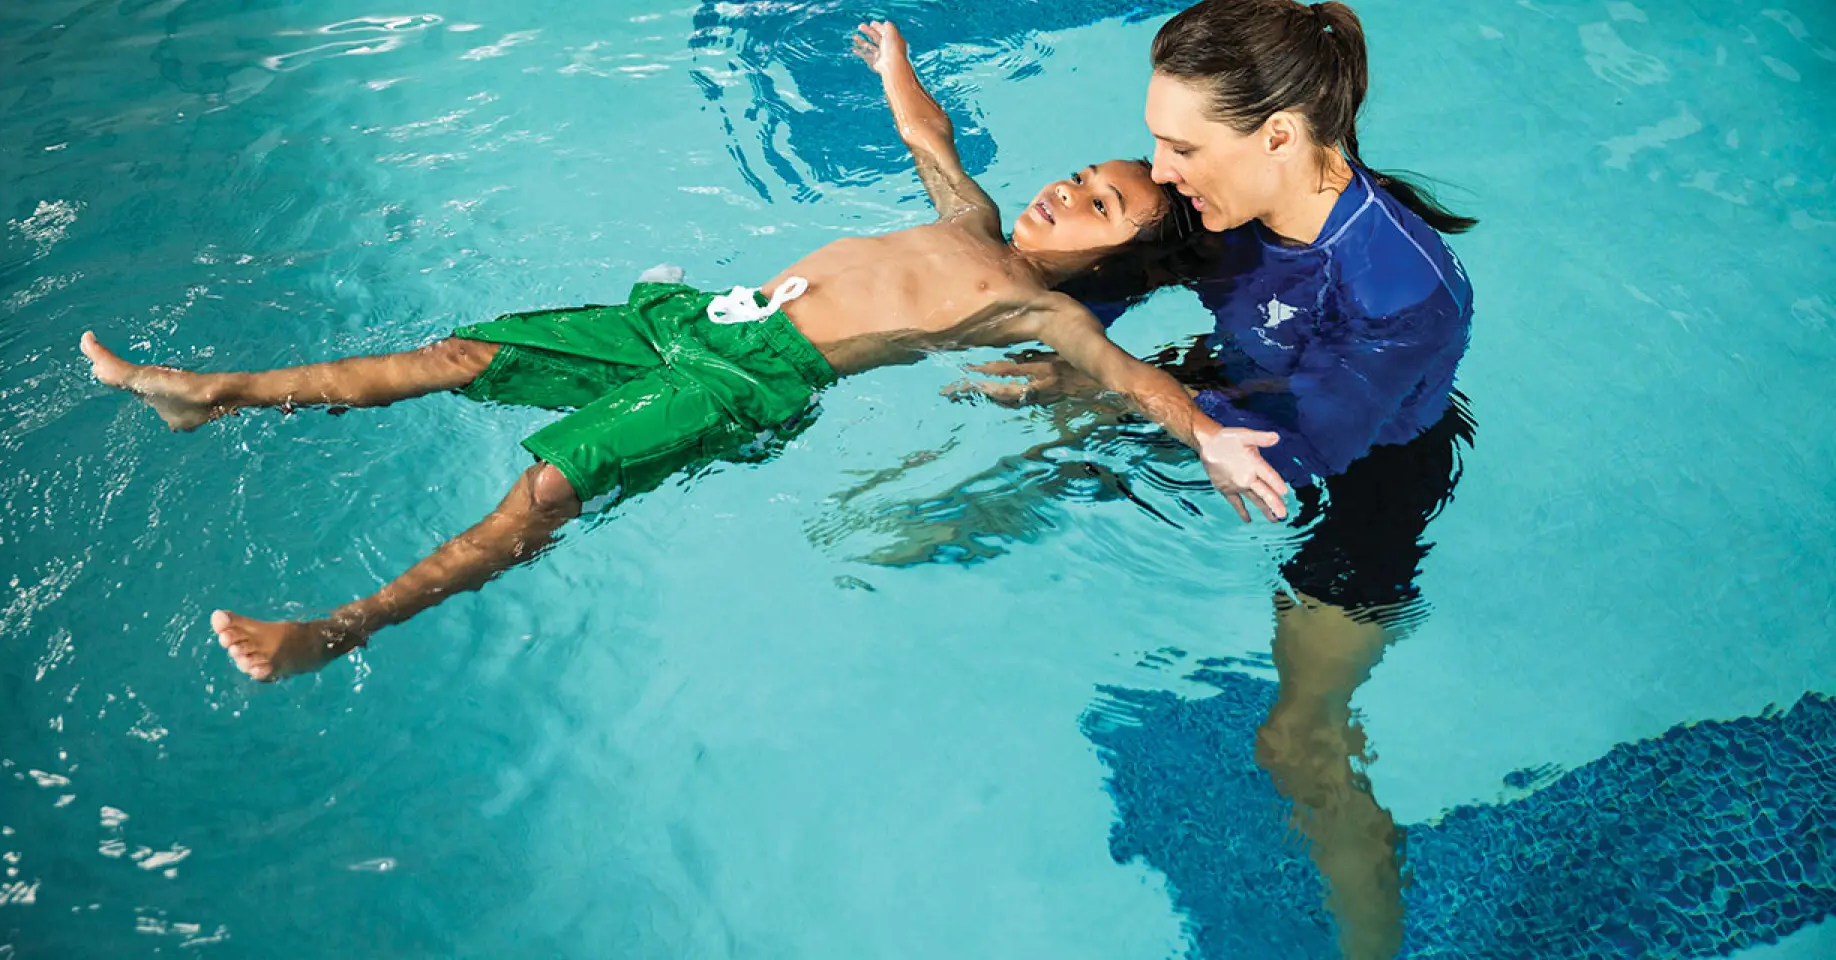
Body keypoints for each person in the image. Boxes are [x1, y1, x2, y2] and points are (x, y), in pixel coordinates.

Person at [78, 21, 1289, 683]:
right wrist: (897, 66)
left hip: (749, 380)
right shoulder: (973, 221)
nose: (1063, 198)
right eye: (1080, 178)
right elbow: (931, 144)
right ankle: (212, 394)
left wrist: (1208, 432)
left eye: (1097, 210)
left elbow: (1135, 380)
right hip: (701, 318)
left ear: (1115, 261)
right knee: (461, 354)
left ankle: (332, 633)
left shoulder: (1043, 316)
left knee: (544, 490)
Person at [894, 2, 1479, 957]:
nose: (1159, 170)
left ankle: (1374, 942)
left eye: (1181, 148)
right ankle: (929, 534)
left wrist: (1106, 393)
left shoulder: (1398, 286)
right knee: (1043, 427)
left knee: (1296, 745)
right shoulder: (1224, 200)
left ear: (1279, 137)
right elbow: (1094, 280)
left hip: (1367, 474)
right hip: (1221, 386)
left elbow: (1298, 457)